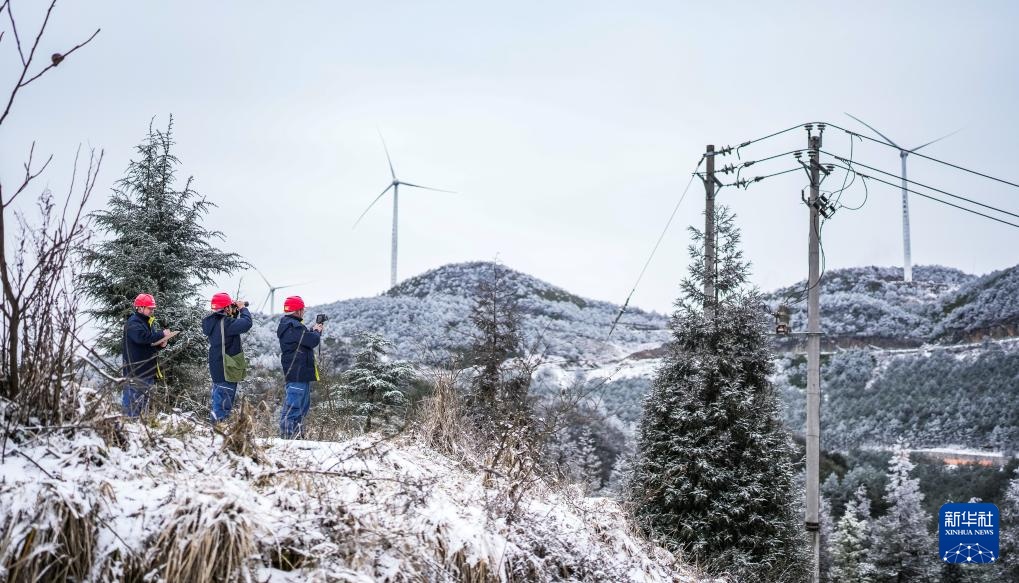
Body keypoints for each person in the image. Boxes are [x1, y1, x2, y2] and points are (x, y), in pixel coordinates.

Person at [122, 293, 176, 417]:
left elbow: (148, 344)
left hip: (146, 372)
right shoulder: (133, 322)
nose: (152, 310)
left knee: (142, 407)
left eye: (152, 308)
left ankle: (139, 432)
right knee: (131, 408)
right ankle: (126, 431)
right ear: (140, 308)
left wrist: (161, 345)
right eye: (149, 308)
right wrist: (161, 334)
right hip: (136, 373)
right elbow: (141, 338)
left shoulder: (146, 323)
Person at [201, 292, 252, 422]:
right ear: (226, 308)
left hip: (217, 367)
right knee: (223, 406)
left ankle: (215, 432)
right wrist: (242, 308)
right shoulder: (227, 323)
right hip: (226, 368)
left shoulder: (212, 322)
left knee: (218, 402)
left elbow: (229, 326)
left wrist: (233, 312)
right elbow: (246, 323)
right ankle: (218, 434)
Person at [277, 295, 324, 438]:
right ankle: (287, 439)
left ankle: (296, 437)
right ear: (297, 310)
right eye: (302, 309)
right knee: (293, 408)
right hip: (297, 373)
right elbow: (311, 341)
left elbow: (302, 339)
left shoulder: (291, 326)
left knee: (301, 409)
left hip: (300, 374)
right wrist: (316, 331)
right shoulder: (293, 326)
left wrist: (312, 330)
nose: (304, 311)